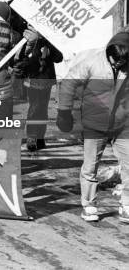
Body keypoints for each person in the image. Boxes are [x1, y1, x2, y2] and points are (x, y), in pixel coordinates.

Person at [57, 31, 129, 223]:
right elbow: (68, 84)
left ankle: (127, 204)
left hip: (122, 124)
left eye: (122, 62)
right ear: (109, 52)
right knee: (90, 166)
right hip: (94, 123)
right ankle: (89, 204)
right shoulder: (91, 61)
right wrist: (64, 112)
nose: (117, 65)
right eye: (115, 60)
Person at [14, 25, 62, 152]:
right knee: (34, 108)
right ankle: (32, 136)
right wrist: (32, 43)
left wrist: (47, 41)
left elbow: (58, 58)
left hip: (46, 80)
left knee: (43, 109)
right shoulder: (27, 38)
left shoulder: (48, 39)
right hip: (33, 79)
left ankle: (40, 137)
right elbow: (22, 58)